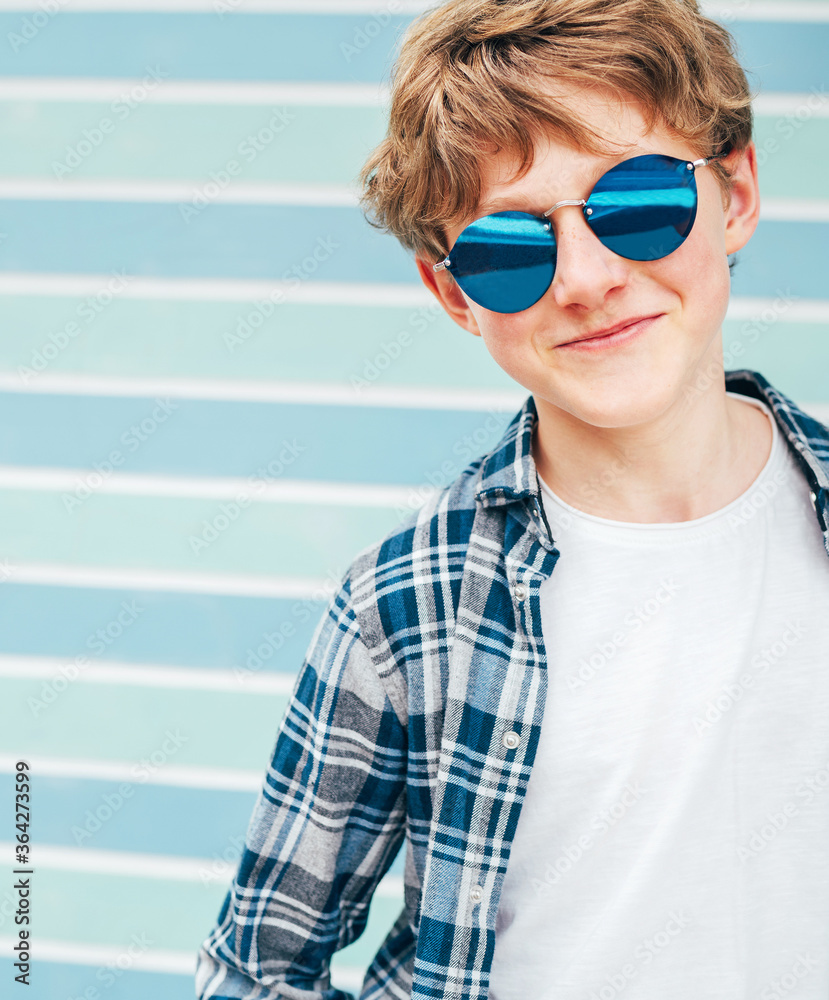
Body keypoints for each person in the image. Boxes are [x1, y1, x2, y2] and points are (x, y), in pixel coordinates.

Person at [196, 1, 829, 997]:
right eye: (506, 250)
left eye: (637, 203)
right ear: (453, 293)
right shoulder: (403, 608)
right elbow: (255, 970)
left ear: (736, 193)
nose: (585, 277)